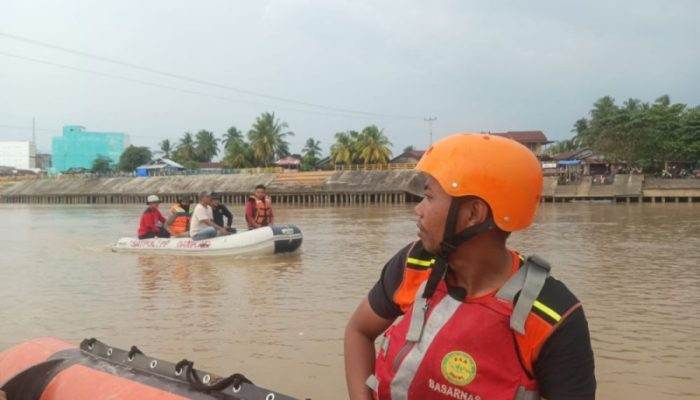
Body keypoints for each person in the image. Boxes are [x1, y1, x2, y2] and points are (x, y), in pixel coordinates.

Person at [344, 133, 596, 400]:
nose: (417, 209)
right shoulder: (414, 264)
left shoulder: (553, 317)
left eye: (429, 197)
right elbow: (358, 331)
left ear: (473, 214)